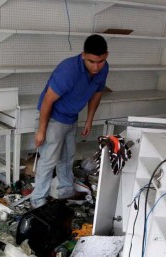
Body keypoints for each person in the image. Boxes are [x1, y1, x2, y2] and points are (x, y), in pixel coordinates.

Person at [30, 34, 109, 209]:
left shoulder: (103, 69)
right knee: (48, 160)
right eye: (91, 61)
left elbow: (97, 93)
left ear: (106, 56)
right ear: (83, 55)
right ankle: (37, 201)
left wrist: (89, 119)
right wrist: (41, 130)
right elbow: (47, 101)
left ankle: (65, 191)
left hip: (72, 117)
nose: (96, 67)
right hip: (54, 118)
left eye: (100, 61)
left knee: (67, 157)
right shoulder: (68, 70)